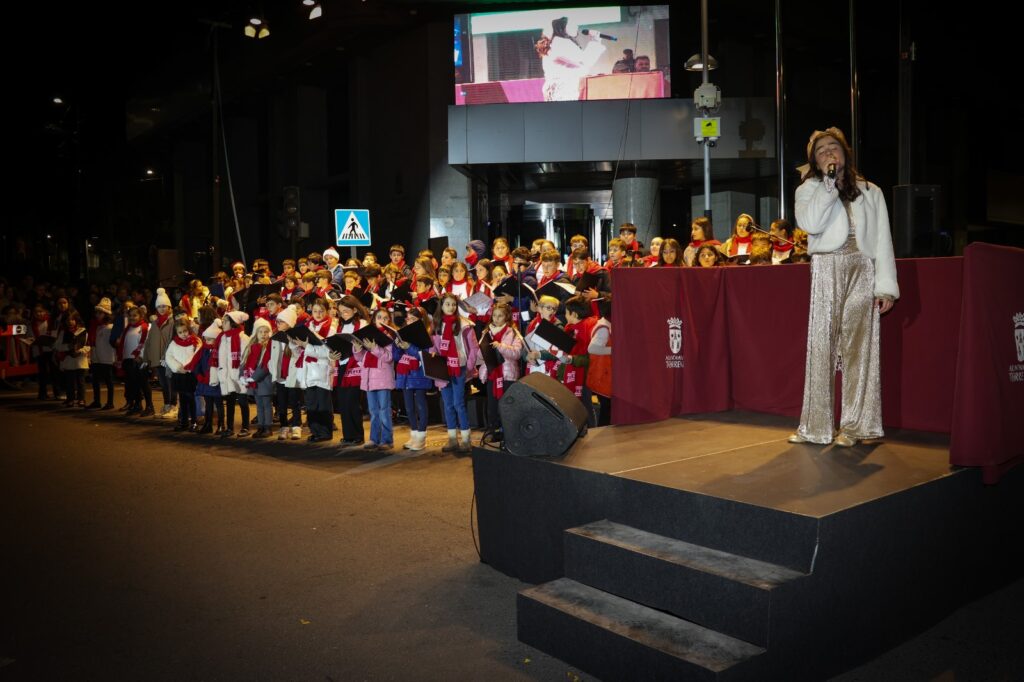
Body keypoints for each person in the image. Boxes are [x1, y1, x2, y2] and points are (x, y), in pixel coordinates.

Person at [789, 127, 899, 447]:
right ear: (815, 160)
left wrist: (886, 287)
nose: (828, 154)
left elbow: (882, 240)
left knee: (858, 349)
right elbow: (810, 224)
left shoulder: (871, 190)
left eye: (833, 148)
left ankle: (853, 427)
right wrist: (828, 187)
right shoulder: (808, 189)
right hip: (826, 266)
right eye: (821, 151)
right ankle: (816, 426)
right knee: (821, 345)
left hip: (862, 267)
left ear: (845, 153)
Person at [431, 293, 481, 453]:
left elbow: (474, 348)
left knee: (459, 403)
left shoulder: (464, 325)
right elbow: (432, 345)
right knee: (448, 404)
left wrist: (469, 366)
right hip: (443, 368)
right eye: (448, 304)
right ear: (442, 306)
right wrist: (432, 352)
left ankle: (466, 439)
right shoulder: (437, 324)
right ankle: (452, 439)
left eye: (454, 304)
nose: (451, 307)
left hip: (459, 367)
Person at [352, 308, 397, 450]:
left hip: (383, 379)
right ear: (374, 319)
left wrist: (375, 348)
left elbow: (389, 358)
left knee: (384, 411)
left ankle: (387, 440)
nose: (382, 321)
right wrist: (358, 349)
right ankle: (374, 438)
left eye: (385, 318)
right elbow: (360, 359)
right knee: (373, 411)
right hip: (369, 379)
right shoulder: (367, 335)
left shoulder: (389, 338)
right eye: (379, 317)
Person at [535, 16, 606, 102]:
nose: (577, 27)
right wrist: (595, 40)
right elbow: (585, 62)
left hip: (556, 88)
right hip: (562, 89)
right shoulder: (561, 43)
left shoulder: (555, 42)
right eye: (572, 24)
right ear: (563, 28)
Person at [393, 306, 434, 452]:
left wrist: (409, 347)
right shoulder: (403, 333)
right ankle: (414, 434)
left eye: (413, 319)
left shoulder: (426, 335)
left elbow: (424, 355)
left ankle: (421, 437)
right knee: (409, 407)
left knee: (420, 405)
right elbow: (396, 357)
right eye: (408, 319)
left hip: (419, 374)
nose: (409, 321)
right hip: (405, 374)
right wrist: (397, 346)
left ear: (421, 320)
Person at [165, 319, 201, 432]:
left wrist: (189, 367)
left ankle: (194, 421)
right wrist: (177, 367)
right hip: (179, 374)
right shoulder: (174, 343)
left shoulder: (195, 341)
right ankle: (184, 421)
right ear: (176, 333)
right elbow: (168, 356)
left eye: (185, 331)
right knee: (182, 399)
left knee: (191, 398)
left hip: (189, 375)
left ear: (189, 330)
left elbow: (197, 355)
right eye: (180, 332)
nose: (183, 334)